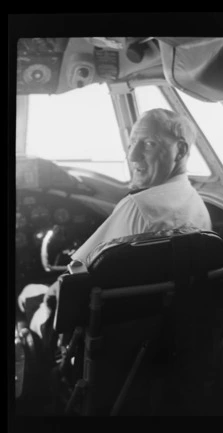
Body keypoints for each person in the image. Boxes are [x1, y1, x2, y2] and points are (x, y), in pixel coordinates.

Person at [18, 108, 212, 343]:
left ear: (180, 150)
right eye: (132, 144)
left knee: (28, 293)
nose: (133, 157)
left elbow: (76, 273)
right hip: (158, 330)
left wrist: (50, 293)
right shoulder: (197, 203)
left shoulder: (138, 206)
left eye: (149, 144)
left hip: (97, 332)